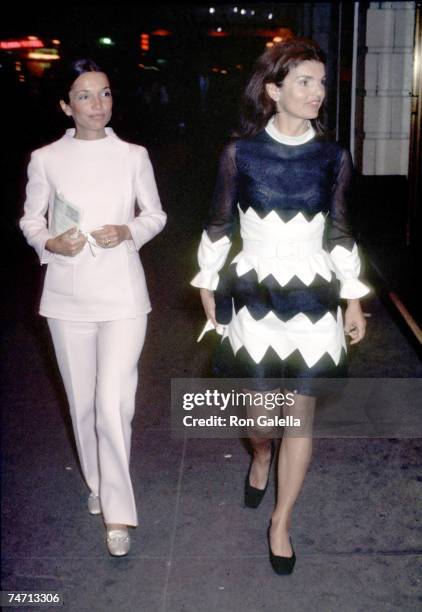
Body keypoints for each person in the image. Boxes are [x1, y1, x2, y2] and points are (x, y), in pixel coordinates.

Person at [191, 38, 369, 575]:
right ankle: (260, 455)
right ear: (274, 91)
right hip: (254, 295)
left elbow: (339, 232)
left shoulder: (333, 156)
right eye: (305, 83)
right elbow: (220, 224)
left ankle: (281, 522)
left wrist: (354, 299)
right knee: (263, 421)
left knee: (301, 417)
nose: (318, 93)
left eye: (320, 82)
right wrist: (205, 282)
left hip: (314, 299)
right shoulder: (239, 153)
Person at [20, 58, 166, 557]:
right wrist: (48, 243)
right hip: (66, 297)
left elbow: (155, 214)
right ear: (66, 105)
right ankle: (98, 484)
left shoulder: (133, 155)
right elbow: (30, 219)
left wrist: (129, 230)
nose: (97, 104)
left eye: (104, 93)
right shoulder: (45, 159)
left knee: (112, 405)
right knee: (82, 404)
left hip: (123, 295)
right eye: (85, 95)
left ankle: (118, 514)